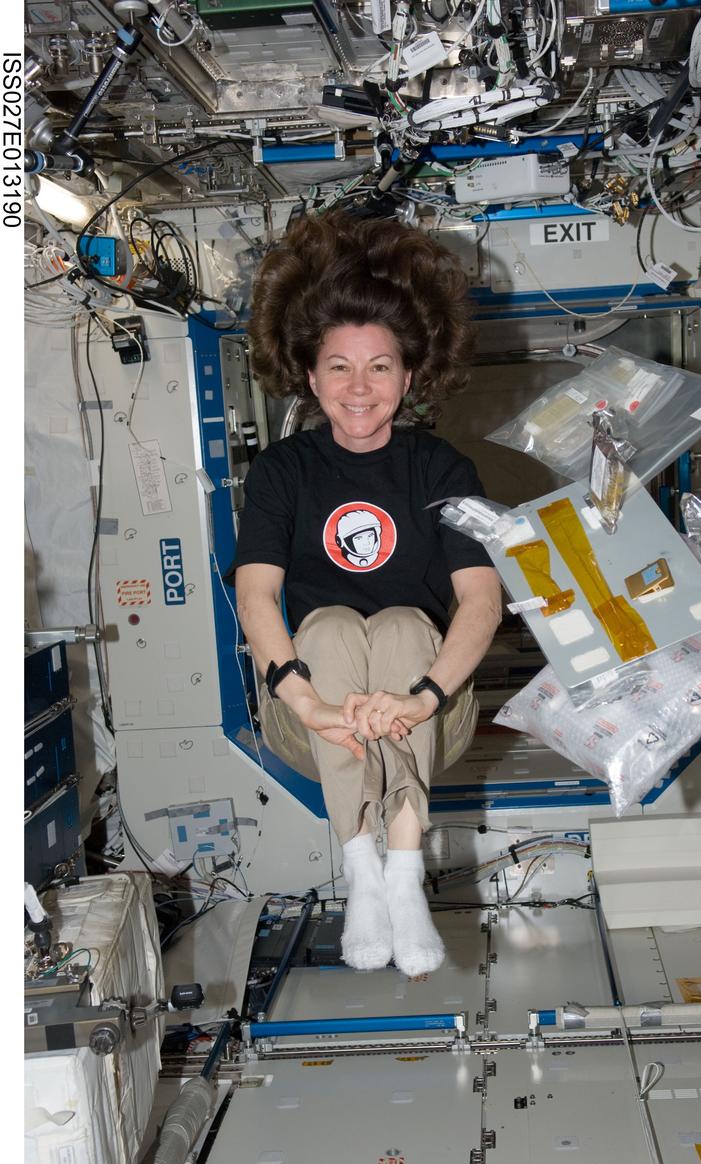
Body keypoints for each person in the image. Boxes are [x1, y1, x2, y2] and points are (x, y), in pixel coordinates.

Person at [231, 212, 503, 977]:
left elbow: (480, 603)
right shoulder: (284, 472)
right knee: (330, 625)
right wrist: (303, 697)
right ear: (311, 377)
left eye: (380, 367)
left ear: (409, 377)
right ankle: (362, 874)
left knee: (400, 622)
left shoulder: (441, 469)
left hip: (430, 710)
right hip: (311, 713)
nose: (360, 388)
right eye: (340, 368)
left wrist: (421, 697)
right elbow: (257, 598)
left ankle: (403, 874)